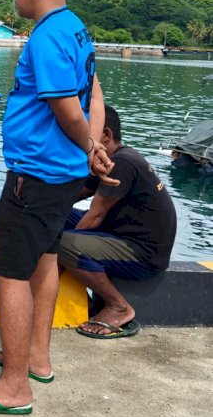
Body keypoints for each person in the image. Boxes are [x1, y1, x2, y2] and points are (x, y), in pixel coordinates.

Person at [0, 0, 116, 416]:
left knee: (9, 272)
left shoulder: (46, 37)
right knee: (44, 262)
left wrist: (90, 146)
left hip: (38, 176)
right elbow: (95, 91)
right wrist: (95, 148)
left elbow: (68, 106)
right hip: (64, 177)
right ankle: (36, 358)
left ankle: (13, 386)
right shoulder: (76, 28)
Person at [58, 105, 177, 339]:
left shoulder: (123, 163)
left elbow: (95, 216)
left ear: (107, 135)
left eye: (88, 130)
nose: (82, 136)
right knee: (56, 215)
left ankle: (118, 306)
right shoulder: (107, 160)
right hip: (119, 234)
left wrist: (60, 256)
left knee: (63, 244)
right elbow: (76, 194)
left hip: (143, 254)